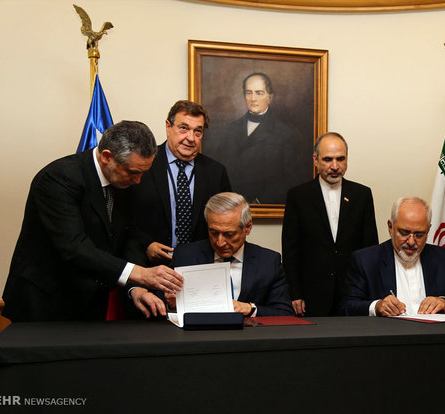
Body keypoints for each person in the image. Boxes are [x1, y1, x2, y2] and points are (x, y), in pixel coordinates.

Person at [2, 121, 184, 322]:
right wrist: (141, 274)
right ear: (107, 157)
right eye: (133, 172)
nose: (138, 181)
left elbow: (127, 236)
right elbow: (74, 247)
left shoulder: (125, 182)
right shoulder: (58, 178)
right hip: (45, 302)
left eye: (143, 173)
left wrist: (136, 288)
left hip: (90, 302)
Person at [132, 192, 294, 317]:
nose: (220, 242)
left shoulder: (268, 261)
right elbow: (157, 304)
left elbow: (285, 313)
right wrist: (171, 305)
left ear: (248, 227)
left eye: (229, 234)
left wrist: (249, 308)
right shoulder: (185, 256)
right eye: (213, 232)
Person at [282, 132, 378, 316]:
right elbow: (291, 250)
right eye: (327, 159)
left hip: (353, 293)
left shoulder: (362, 195)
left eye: (340, 159)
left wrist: (369, 292)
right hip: (312, 294)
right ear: (315, 160)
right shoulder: (298, 196)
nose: (335, 166)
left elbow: (370, 247)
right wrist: (295, 293)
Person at [127, 100, 230, 265]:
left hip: (200, 267)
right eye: (184, 128)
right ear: (168, 127)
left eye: (198, 131)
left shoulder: (216, 172)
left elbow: (226, 220)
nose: (191, 138)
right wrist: (146, 245)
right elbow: (123, 217)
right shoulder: (143, 165)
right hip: (150, 266)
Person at [342, 197, 445, 317]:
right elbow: (346, 307)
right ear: (390, 227)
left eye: (419, 235)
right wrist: (377, 306)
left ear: (428, 230)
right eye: (404, 233)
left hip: (434, 336)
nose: (411, 242)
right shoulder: (365, 260)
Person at [202, 72, 310, 204]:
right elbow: (219, 171)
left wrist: (260, 202)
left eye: (259, 93)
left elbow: (291, 179)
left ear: (270, 97)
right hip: (232, 207)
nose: (253, 98)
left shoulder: (286, 134)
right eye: (249, 93)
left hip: (264, 206)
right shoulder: (231, 129)